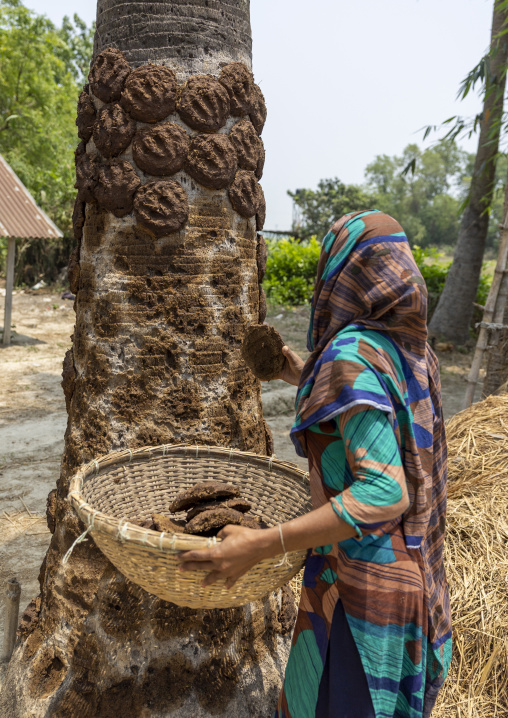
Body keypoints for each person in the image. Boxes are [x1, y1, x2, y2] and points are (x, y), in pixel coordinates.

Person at [179, 210, 452, 718]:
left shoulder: (350, 354)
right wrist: (304, 375)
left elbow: (384, 492)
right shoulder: (413, 353)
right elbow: (380, 421)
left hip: (359, 594)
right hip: (411, 586)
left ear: (340, 275)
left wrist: (261, 544)